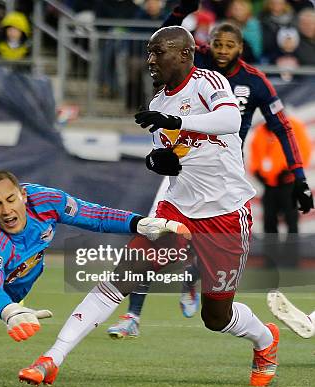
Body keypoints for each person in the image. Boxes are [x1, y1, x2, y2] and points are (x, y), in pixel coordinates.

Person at [19, 26, 279, 387]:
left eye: (159, 52)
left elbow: (230, 120)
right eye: (149, 52)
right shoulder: (158, 104)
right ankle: (52, 358)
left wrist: (176, 123)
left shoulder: (209, 82)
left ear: (185, 54)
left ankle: (265, 339)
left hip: (225, 214)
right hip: (177, 213)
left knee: (216, 316)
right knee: (118, 279)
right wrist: (161, 161)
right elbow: (177, 154)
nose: (150, 60)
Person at [107, 0, 313, 339]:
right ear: (206, 45)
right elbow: (165, 38)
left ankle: (192, 277)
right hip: (180, 161)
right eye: (216, 43)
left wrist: (301, 179)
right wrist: (179, 11)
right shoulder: (197, 63)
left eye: (229, 45)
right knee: (153, 232)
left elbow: (283, 128)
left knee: (209, 246)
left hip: (220, 168)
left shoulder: (255, 81)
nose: (221, 50)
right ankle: (133, 315)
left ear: (241, 48)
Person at [0, 170, 191, 342]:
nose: (7, 210)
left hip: (16, 285)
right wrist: (9, 311)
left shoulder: (45, 201)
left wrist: (139, 223)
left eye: (11, 199)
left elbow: (96, 216)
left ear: (23, 195)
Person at [249, 116, 312, 268]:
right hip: (270, 186)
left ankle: (291, 261)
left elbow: (304, 150)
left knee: (292, 222)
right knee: (269, 223)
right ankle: (270, 261)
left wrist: (289, 171)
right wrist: (258, 172)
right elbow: (255, 154)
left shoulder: (294, 127)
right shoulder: (261, 131)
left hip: (289, 185)